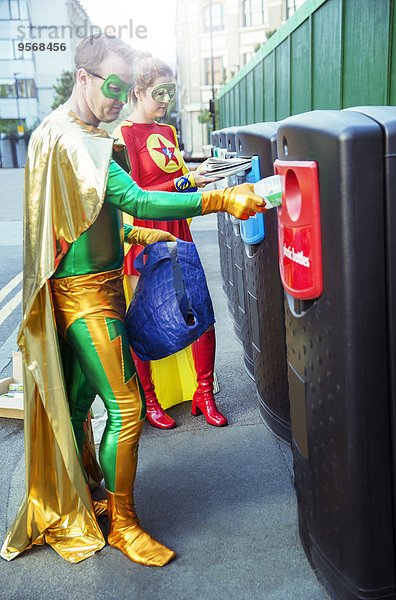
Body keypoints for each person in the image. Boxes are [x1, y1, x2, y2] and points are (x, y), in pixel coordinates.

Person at [0, 34, 265, 568]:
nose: (120, 98)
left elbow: (80, 216)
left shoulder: (69, 131)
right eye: (113, 86)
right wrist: (220, 197)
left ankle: (84, 495)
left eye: (126, 88)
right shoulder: (75, 139)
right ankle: (122, 523)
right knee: (125, 409)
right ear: (84, 78)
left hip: (88, 286)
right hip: (85, 297)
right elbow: (137, 198)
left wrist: (139, 237)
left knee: (77, 407)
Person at [114, 57, 226, 430]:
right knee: (145, 321)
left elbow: (179, 179)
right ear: (138, 92)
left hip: (177, 231)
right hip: (145, 235)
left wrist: (199, 177)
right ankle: (150, 400)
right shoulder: (124, 136)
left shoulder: (168, 131)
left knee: (201, 313)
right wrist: (185, 181)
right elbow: (134, 195)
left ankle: (204, 392)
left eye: (169, 93)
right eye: (158, 93)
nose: (164, 100)